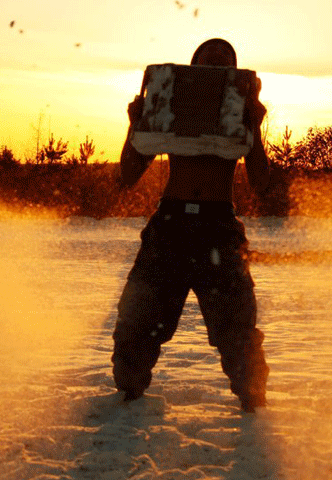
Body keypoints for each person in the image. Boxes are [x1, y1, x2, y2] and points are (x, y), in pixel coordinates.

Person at [112, 38, 270, 412]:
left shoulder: (238, 111)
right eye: (207, 60)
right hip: (171, 223)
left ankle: (254, 409)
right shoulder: (174, 109)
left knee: (237, 328)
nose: (215, 66)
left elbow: (262, 183)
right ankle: (127, 396)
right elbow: (129, 173)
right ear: (192, 66)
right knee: (138, 323)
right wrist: (136, 125)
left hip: (219, 227)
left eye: (224, 61)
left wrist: (256, 127)